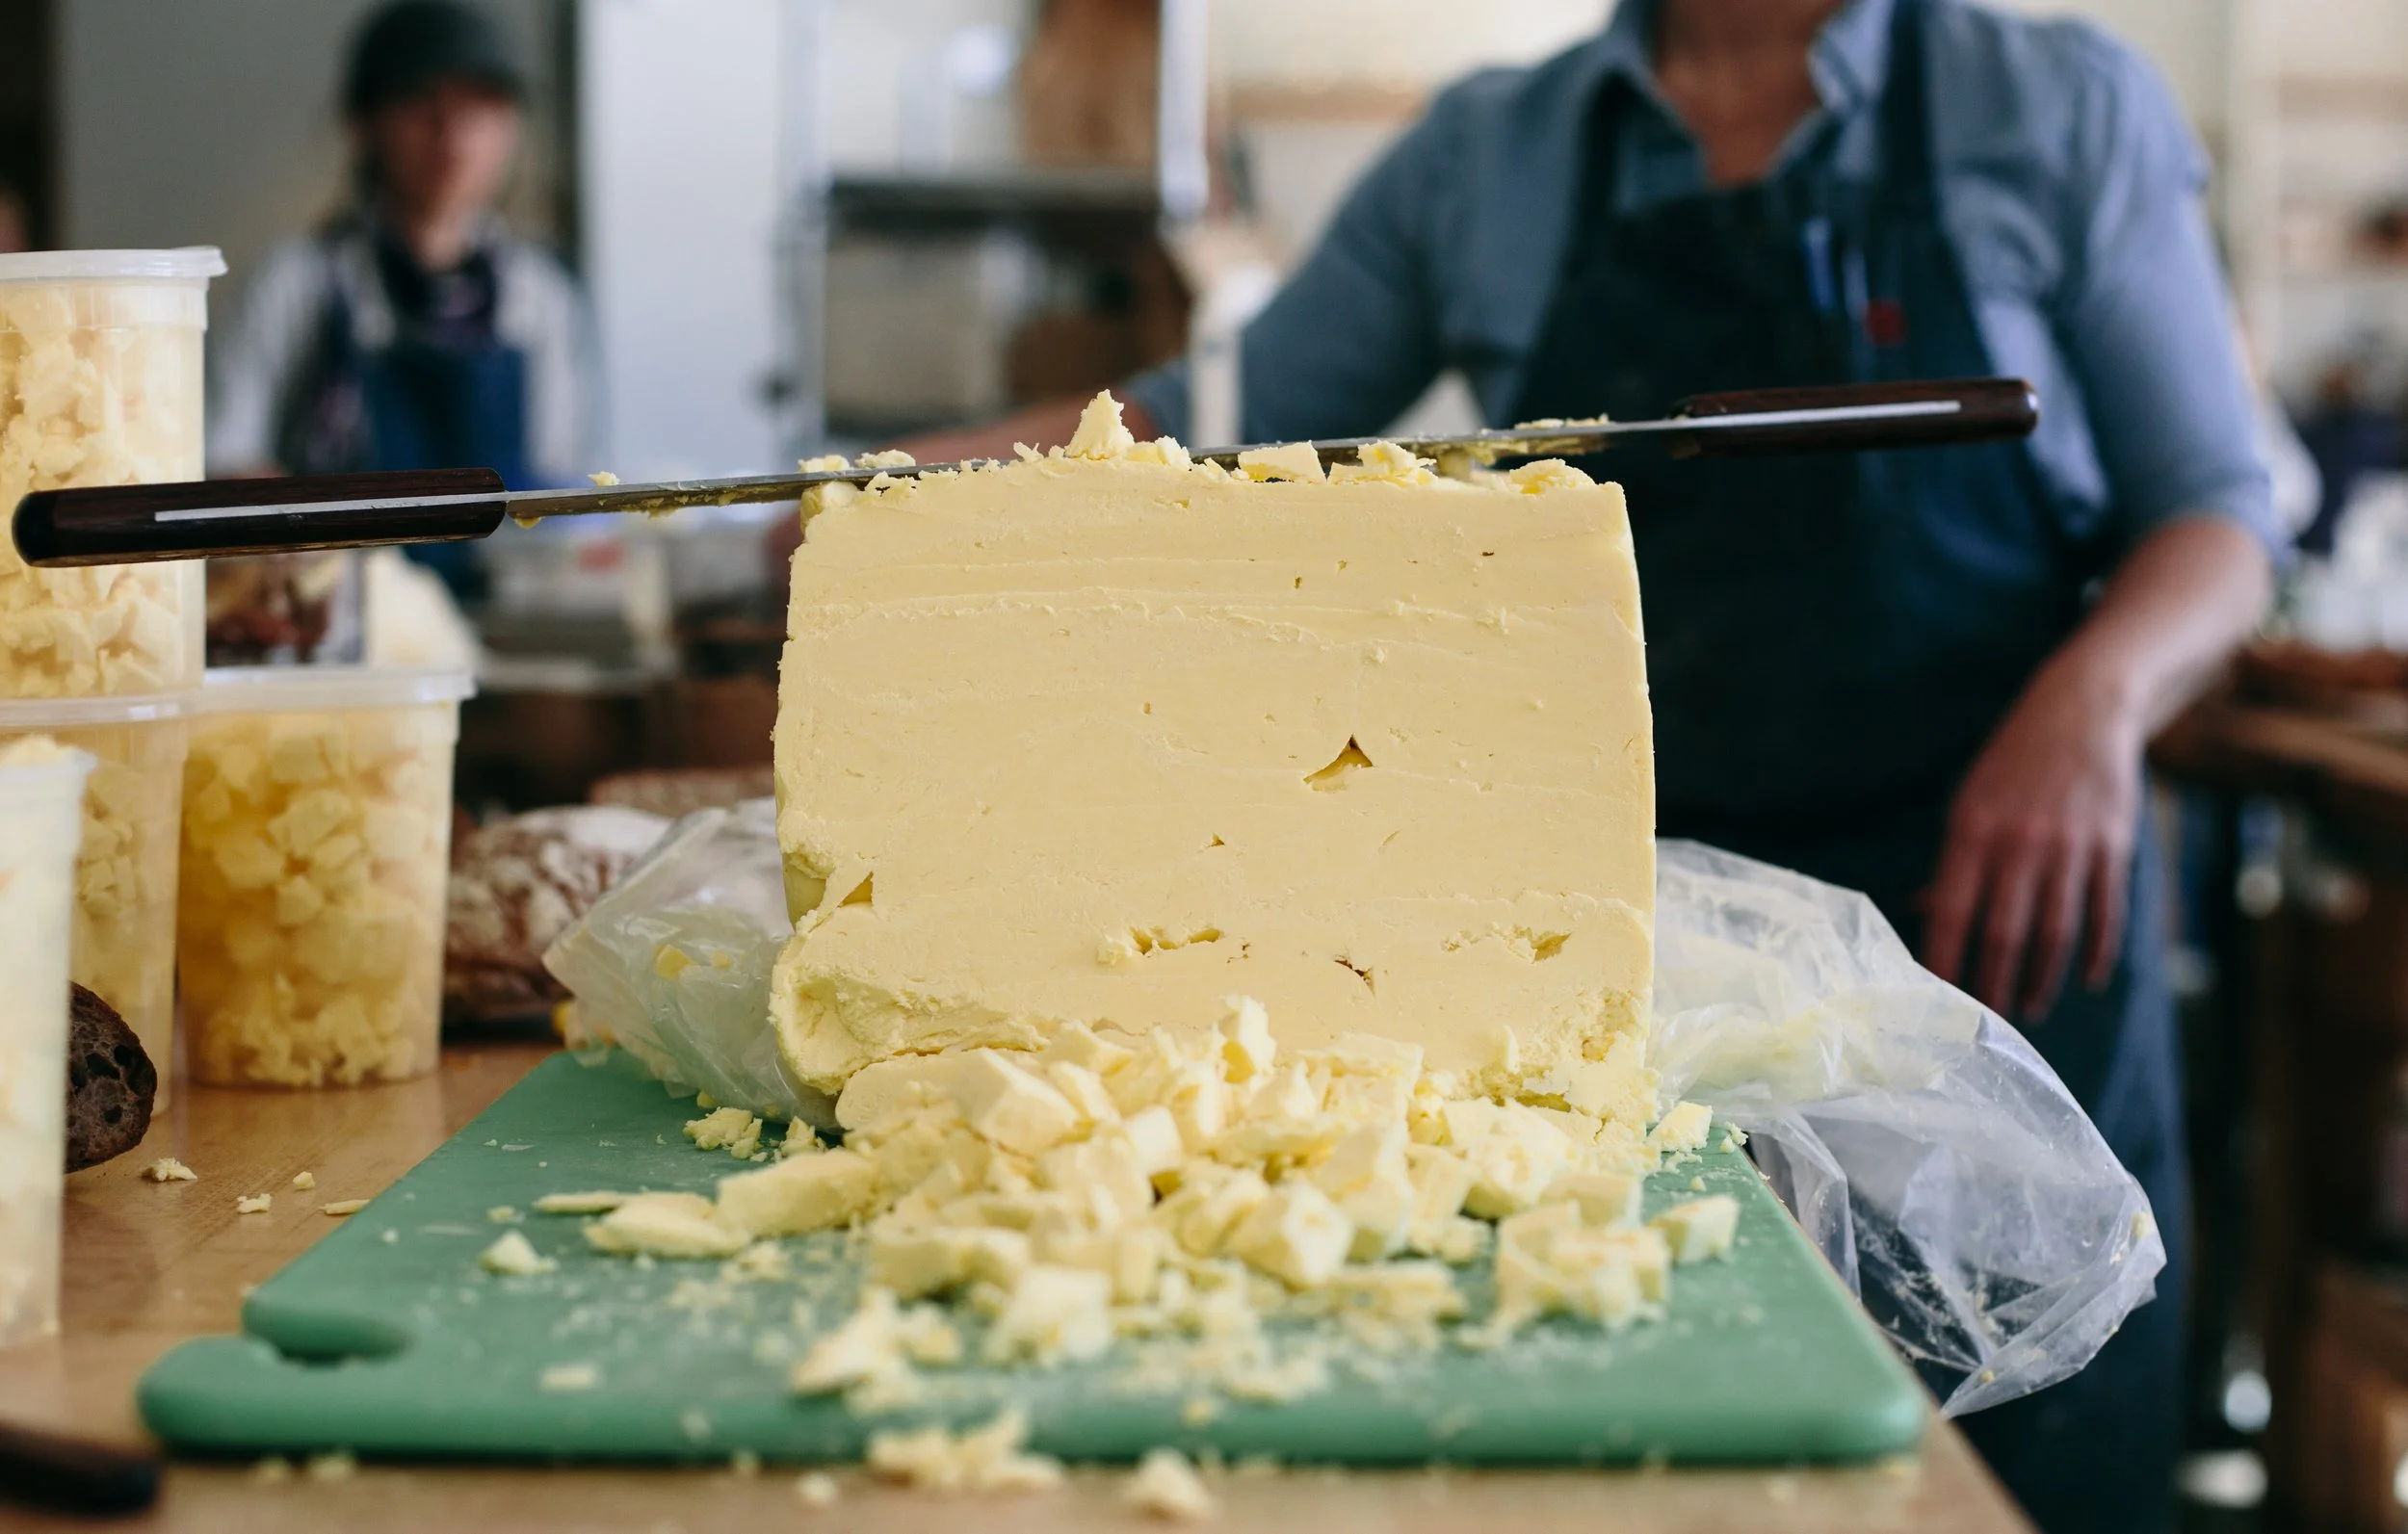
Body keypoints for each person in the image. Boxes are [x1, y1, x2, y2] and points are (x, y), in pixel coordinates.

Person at [877, 2, 2279, 1529]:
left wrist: (2099, 695)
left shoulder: (2055, 105)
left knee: (2035, 1457)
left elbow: (2215, 510)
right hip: (1640, 965)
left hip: (1993, 909)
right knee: (1659, 1447)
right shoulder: (1491, 151)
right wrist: (876, 496)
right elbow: (1203, 427)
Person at [208, 0, 599, 589]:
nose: (453, 135)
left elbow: (563, 486)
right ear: (363, 125)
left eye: (480, 107)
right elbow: (224, 462)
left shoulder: (541, 299)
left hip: (508, 632)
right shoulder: (297, 285)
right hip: (338, 630)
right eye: (422, 105)